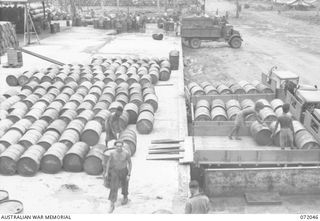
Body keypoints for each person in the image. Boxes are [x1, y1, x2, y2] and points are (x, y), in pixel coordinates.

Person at [103, 140, 132, 213]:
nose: (119, 147)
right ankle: (112, 204)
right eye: (117, 146)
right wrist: (106, 172)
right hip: (115, 171)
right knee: (113, 187)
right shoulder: (112, 153)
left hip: (124, 171)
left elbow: (130, 163)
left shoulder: (126, 153)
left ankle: (125, 197)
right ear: (115, 146)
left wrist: (129, 174)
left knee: (125, 185)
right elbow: (109, 162)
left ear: (122, 146)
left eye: (120, 146)